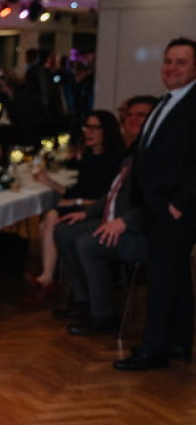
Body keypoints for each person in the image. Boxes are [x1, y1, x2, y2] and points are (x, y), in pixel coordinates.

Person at [115, 37, 196, 371]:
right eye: (168, 61)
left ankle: (154, 349)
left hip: (174, 210)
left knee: (162, 279)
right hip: (154, 207)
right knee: (176, 277)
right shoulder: (166, 101)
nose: (171, 67)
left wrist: (180, 202)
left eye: (181, 62)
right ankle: (177, 341)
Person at [52, 100, 154, 335]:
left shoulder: (153, 153)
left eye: (141, 115)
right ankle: (84, 301)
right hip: (115, 219)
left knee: (87, 243)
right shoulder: (134, 149)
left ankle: (103, 315)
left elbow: (154, 203)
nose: (133, 120)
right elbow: (112, 193)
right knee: (64, 230)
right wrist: (85, 213)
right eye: (130, 115)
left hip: (140, 231)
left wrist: (125, 221)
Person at [25, 110, 124, 300]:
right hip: (83, 205)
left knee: (51, 217)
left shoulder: (114, 160)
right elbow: (75, 191)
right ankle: (49, 277)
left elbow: (107, 199)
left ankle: (48, 277)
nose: (88, 132)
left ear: (106, 131)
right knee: (46, 222)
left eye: (94, 128)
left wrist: (76, 201)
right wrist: (48, 182)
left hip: (98, 211)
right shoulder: (89, 157)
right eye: (87, 127)